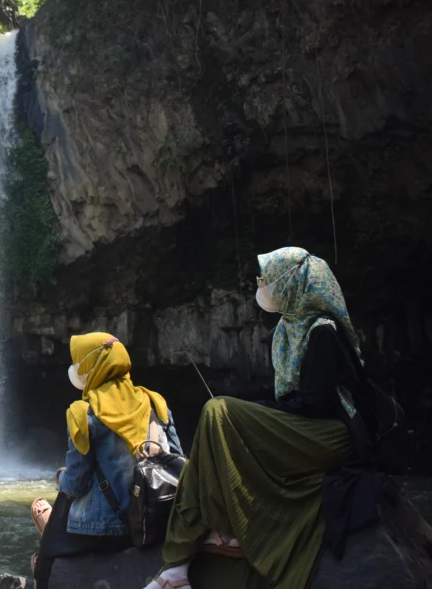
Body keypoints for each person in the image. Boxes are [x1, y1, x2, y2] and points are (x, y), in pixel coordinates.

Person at [145, 247, 363, 589]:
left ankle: (201, 543)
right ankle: (178, 568)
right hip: (303, 422)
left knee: (218, 411)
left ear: (290, 284)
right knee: (214, 429)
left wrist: (256, 413)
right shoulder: (288, 328)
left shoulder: (323, 332)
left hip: (330, 433)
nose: (260, 285)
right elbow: (290, 400)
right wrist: (259, 410)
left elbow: (315, 405)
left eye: (266, 279)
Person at [31, 332, 184, 588]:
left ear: (92, 366)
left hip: (105, 529)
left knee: (49, 546)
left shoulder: (85, 413)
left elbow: (76, 484)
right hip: (158, 522)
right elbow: (178, 462)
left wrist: (62, 479)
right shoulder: (156, 403)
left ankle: (44, 561)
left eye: (79, 361)